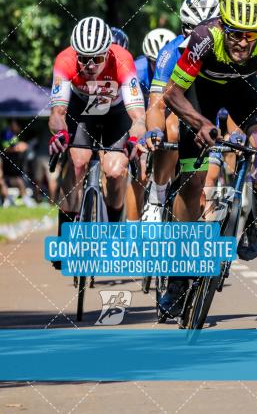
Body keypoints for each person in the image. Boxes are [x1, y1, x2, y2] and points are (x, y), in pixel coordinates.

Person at [159, 0, 257, 318]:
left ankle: (254, 219)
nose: (243, 43)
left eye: (250, 36)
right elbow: (172, 94)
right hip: (199, 96)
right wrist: (199, 123)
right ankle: (178, 279)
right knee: (193, 182)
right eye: (236, 34)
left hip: (244, 91)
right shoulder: (203, 38)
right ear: (223, 27)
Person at [47, 17, 146, 268]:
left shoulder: (123, 60)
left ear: (108, 52)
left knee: (114, 172)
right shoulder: (65, 61)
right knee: (77, 161)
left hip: (115, 112)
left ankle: (114, 228)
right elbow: (58, 113)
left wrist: (135, 138)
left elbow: (137, 116)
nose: (90, 65)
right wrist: (60, 135)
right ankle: (66, 234)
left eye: (97, 59)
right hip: (82, 111)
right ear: (75, 54)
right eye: (83, 58)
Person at [142, 0, 220, 221]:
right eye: (194, 32)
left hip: (212, 111)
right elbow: (157, 104)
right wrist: (154, 132)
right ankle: (156, 196)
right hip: (182, 109)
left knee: (204, 183)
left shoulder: (231, 52)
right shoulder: (170, 52)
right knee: (171, 129)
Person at [126, 28, 177, 221]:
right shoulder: (138, 70)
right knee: (140, 175)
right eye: (154, 62)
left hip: (166, 114)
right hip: (141, 116)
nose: (159, 66)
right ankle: (132, 228)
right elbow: (131, 108)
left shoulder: (180, 65)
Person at [1, 119, 31, 206]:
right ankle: (8, 200)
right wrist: (18, 147)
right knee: (18, 181)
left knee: (19, 181)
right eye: (18, 126)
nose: (19, 129)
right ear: (13, 124)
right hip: (6, 169)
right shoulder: (6, 133)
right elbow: (7, 148)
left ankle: (23, 199)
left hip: (12, 170)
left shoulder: (14, 135)